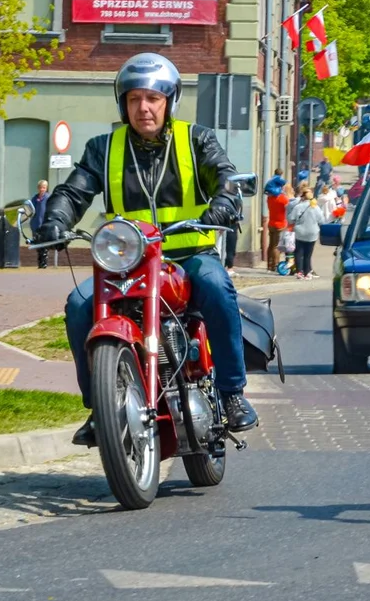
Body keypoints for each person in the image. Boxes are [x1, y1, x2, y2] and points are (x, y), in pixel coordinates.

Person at [34, 53, 259, 446]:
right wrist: (54, 219)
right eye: (135, 98)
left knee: (217, 286)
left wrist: (224, 202)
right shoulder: (103, 148)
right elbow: (74, 191)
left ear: (169, 101)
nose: (143, 107)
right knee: (78, 305)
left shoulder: (197, 139)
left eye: (153, 98)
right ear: (123, 103)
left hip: (189, 258)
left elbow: (225, 176)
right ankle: (98, 408)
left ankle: (232, 392)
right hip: (129, 263)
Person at [286, 183, 325, 279]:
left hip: (300, 232)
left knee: (298, 252)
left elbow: (290, 219)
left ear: (302, 196)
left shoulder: (298, 207)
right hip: (312, 233)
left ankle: (299, 272)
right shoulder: (315, 207)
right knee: (308, 254)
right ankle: (307, 272)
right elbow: (322, 221)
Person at [265, 169, 289, 273]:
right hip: (280, 224)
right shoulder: (282, 199)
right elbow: (288, 208)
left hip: (271, 223)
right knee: (276, 247)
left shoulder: (270, 198)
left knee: (270, 245)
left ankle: (269, 265)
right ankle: (275, 265)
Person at [29, 180, 49, 269]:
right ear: (38, 188)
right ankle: (40, 262)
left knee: (44, 244)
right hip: (35, 224)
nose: (42, 189)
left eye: (44, 188)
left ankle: (44, 263)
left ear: (46, 188)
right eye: (40, 187)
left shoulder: (48, 198)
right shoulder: (34, 198)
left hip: (44, 224)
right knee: (37, 243)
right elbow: (30, 210)